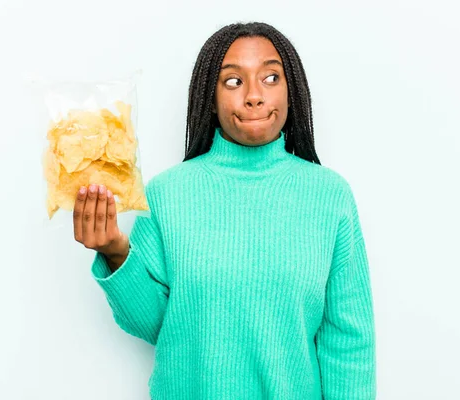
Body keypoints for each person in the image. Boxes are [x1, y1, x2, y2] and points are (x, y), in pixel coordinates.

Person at [73, 21, 376, 400]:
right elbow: (159, 326)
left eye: (270, 77)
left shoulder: (330, 196)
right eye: (233, 81)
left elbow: (349, 342)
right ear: (209, 98)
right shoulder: (167, 194)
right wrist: (115, 252)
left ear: (292, 90)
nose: (254, 96)